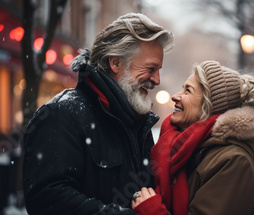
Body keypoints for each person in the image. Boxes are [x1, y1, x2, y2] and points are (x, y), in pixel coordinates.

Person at [22, 13, 174, 215]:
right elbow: (48, 199)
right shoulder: (62, 113)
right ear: (116, 63)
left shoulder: (136, 121)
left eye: (159, 69)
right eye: (150, 68)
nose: (157, 79)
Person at [132, 60, 254, 215]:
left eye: (188, 91)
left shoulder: (233, 162)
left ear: (209, 106)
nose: (175, 96)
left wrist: (153, 211)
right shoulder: (191, 151)